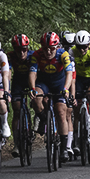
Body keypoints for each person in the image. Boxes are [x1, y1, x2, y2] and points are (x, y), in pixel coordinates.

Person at [28, 31, 76, 160]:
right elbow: (32, 73)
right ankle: (43, 119)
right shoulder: (37, 55)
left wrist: (66, 89)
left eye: (51, 48)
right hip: (43, 82)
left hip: (59, 83)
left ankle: (64, 149)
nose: (48, 52)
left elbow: (69, 74)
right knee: (36, 100)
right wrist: (32, 88)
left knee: (61, 112)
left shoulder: (63, 55)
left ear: (57, 47)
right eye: (45, 48)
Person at [8, 34, 35, 158]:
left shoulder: (33, 56)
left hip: (32, 80)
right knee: (17, 110)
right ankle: (17, 143)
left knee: (37, 101)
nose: (21, 53)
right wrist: (7, 89)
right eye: (18, 50)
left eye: (24, 50)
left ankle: (37, 120)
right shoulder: (10, 56)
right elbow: (7, 73)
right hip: (18, 81)